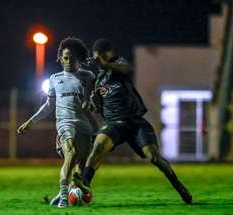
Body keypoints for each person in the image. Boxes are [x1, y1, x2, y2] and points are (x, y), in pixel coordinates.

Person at [74, 38, 193, 204]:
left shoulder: (118, 64)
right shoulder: (96, 80)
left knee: (154, 157)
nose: (98, 60)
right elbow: (97, 107)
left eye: (100, 55)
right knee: (99, 145)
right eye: (95, 57)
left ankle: (179, 186)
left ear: (108, 53)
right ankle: (84, 184)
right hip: (114, 123)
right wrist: (91, 104)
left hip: (135, 122)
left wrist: (105, 64)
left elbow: (127, 69)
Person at [17, 37, 96, 208]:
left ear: (79, 59)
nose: (68, 61)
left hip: (84, 125)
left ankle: (68, 192)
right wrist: (29, 122)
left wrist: (89, 102)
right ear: (60, 58)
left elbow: (90, 100)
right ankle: (63, 199)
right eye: (65, 58)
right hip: (64, 124)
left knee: (79, 169)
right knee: (72, 153)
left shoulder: (88, 76)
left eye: (72, 58)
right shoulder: (54, 78)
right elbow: (48, 105)